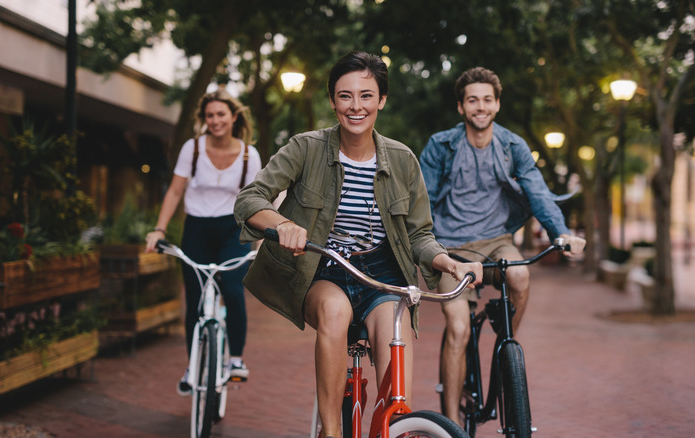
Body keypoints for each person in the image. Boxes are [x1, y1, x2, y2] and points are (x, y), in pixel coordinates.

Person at [233, 51, 483, 438]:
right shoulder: (306, 148)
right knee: (334, 313)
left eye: (366, 95)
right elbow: (250, 199)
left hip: (383, 274)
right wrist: (283, 224)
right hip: (325, 269)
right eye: (345, 96)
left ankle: (396, 427)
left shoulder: (402, 160)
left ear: (381, 100)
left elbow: (419, 235)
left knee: (394, 335)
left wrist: (451, 264)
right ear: (332, 101)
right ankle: (332, 431)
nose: (356, 106)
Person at [419, 66, 586, 425]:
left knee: (522, 277)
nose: (480, 106)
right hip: (451, 249)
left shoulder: (512, 146)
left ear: (497, 105)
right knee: (459, 329)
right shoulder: (440, 146)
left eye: (487, 100)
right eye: (472, 100)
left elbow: (538, 194)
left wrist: (561, 233)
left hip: (497, 241)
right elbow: (423, 204)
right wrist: (427, 249)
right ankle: (450, 426)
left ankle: (503, 349)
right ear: (461, 107)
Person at [145, 88, 262, 395]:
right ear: (204, 118)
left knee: (234, 291)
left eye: (221, 114)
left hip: (232, 228)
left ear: (233, 117)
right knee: (195, 300)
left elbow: (258, 200)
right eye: (209, 115)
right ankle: (193, 365)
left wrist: (262, 239)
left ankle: (235, 359)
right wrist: (159, 229)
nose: (215, 120)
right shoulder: (192, 149)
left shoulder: (249, 154)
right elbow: (174, 191)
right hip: (196, 228)